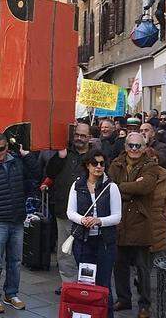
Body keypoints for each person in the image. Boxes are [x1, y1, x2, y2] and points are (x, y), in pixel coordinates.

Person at [0, 132, 39, 313]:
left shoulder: (17, 162)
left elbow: (36, 173)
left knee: (16, 260)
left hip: (17, 219)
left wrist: (27, 155)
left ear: (7, 147)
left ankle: (11, 293)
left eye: (0, 149)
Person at [107, 132, 160, 317]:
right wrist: (131, 187)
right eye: (131, 145)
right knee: (119, 265)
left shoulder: (151, 166)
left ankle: (145, 304)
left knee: (143, 268)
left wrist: (122, 187)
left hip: (140, 223)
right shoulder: (116, 163)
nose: (134, 149)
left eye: (138, 146)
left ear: (144, 147)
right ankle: (123, 299)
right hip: (120, 222)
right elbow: (110, 187)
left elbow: (145, 187)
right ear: (125, 146)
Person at [66, 149, 121, 318]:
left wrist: (99, 221)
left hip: (104, 243)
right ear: (87, 165)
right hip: (83, 242)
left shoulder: (111, 187)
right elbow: (70, 212)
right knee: (85, 283)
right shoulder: (77, 185)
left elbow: (117, 216)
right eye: (95, 163)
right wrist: (83, 220)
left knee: (103, 284)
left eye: (102, 164)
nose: (98, 167)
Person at [45, 123, 91, 288]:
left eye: (83, 136)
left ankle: (85, 282)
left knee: (87, 249)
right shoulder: (64, 153)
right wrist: (60, 157)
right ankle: (69, 284)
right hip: (64, 209)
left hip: (87, 212)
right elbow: (49, 173)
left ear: (89, 137)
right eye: (77, 135)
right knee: (65, 249)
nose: (79, 138)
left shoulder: (94, 156)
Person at [145, 148, 166, 258]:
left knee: (162, 257)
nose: (153, 163)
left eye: (155, 160)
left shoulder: (164, 176)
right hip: (142, 220)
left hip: (159, 221)